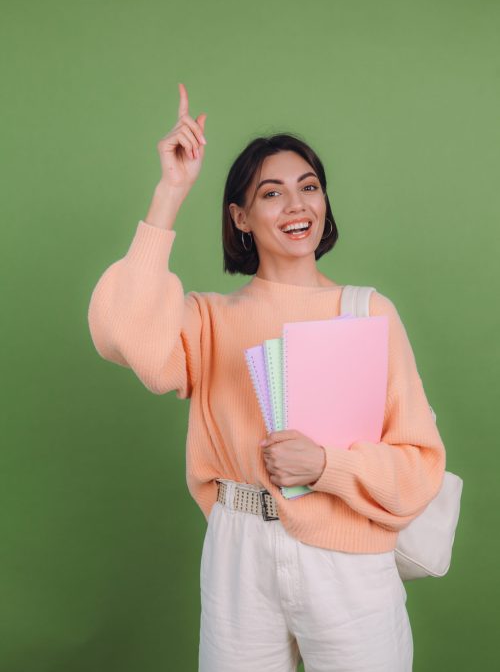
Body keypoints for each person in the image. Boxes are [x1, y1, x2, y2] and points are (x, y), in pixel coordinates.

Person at [88, 83, 446, 672]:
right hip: (239, 551)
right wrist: (170, 192)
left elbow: (420, 464)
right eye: (271, 194)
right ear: (241, 217)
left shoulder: (368, 312)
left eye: (309, 188)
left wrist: (327, 466)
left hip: (348, 564)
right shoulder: (207, 320)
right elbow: (120, 330)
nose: (297, 205)